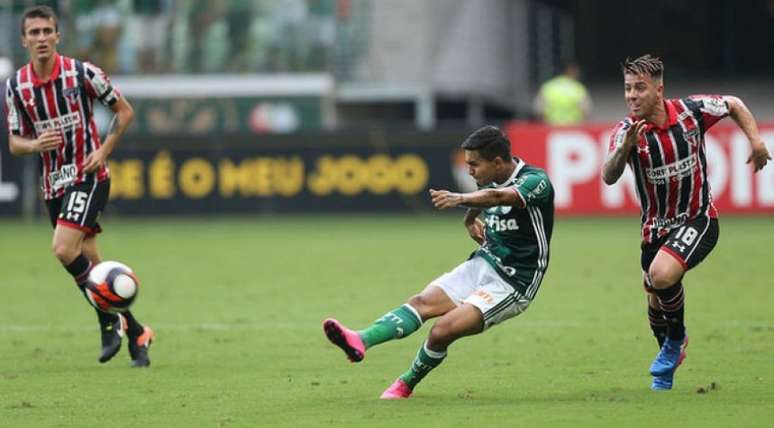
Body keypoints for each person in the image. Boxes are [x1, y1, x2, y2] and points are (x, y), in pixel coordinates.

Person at [323, 125, 554, 399]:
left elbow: (499, 196)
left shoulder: (536, 181)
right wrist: (469, 219)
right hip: (483, 262)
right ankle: (361, 339)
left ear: (497, 162)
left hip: (514, 282)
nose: (469, 171)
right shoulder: (488, 177)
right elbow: (486, 194)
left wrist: (459, 199)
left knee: (442, 330)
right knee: (421, 302)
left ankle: (405, 383)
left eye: (474, 164)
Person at [602, 54, 770, 390]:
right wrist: (624, 151)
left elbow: (733, 104)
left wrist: (756, 140)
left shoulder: (692, 113)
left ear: (659, 89)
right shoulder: (625, 132)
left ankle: (677, 341)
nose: (632, 95)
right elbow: (608, 176)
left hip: (698, 219)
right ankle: (667, 368)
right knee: (654, 296)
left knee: (662, 276)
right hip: (654, 229)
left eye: (640, 88)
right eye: (627, 88)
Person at [4, 6, 154, 367]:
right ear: (24, 40)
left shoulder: (81, 73)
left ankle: (107, 322)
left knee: (62, 248)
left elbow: (125, 111)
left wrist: (103, 151)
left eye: (47, 31)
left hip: (88, 174)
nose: (41, 38)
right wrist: (35, 144)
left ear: (58, 35)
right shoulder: (16, 86)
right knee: (86, 259)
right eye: (34, 33)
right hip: (53, 184)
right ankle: (136, 331)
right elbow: (14, 142)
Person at [533, 60, 592, 126]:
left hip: (551, 127)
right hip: (573, 127)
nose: (578, 73)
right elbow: (585, 110)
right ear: (569, 71)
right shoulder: (578, 88)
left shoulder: (548, 87)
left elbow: (539, 111)